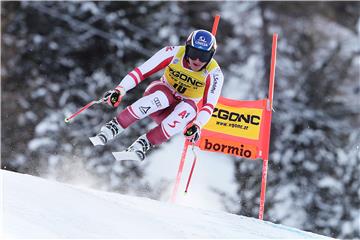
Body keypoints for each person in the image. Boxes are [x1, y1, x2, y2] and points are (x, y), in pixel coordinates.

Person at [90, 29, 224, 161]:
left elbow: (209, 105)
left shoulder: (214, 73)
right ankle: (114, 126)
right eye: (193, 53)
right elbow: (141, 72)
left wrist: (197, 125)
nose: (197, 60)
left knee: (189, 109)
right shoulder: (174, 53)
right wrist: (120, 89)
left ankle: (143, 144)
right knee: (162, 98)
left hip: (176, 110)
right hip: (161, 93)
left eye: (204, 56)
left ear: (211, 56)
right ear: (187, 48)